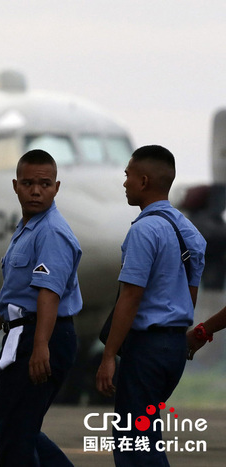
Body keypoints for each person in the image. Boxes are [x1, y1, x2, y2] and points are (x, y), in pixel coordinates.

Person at [0, 149, 81, 467]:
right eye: (28, 183)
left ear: (57, 187)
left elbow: (48, 296)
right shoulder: (28, 227)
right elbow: (13, 296)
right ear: (15, 186)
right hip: (23, 333)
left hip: (42, 335)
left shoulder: (51, 232)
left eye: (44, 183)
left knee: (14, 435)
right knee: (7, 426)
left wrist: (41, 346)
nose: (36, 190)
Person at [96, 145, 206, 466]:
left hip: (146, 350)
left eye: (128, 175)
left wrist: (107, 356)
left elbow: (130, 298)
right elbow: (191, 295)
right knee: (146, 438)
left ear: (143, 181)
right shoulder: (191, 233)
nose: (125, 182)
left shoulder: (144, 230)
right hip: (173, 347)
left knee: (133, 446)